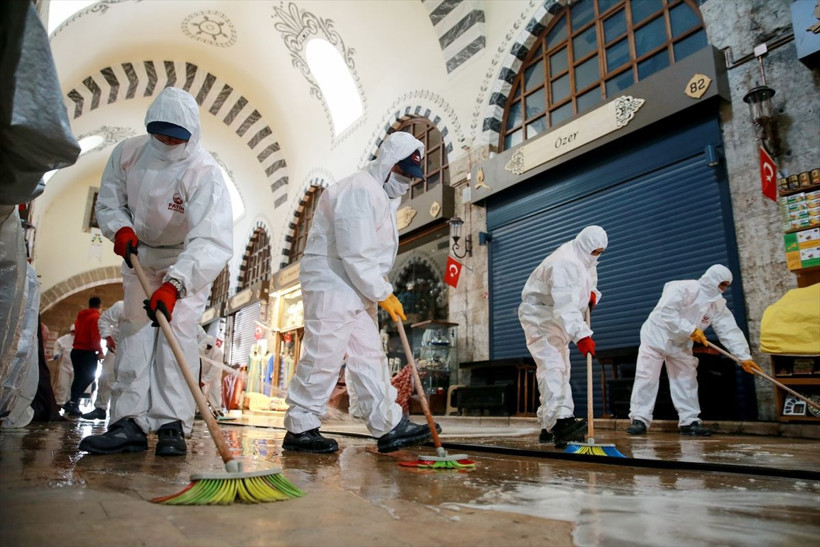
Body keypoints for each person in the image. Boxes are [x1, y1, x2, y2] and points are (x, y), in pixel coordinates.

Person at [80, 87, 233, 456]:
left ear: (191, 135)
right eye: (159, 134)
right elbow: (110, 201)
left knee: (176, 337)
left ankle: (171, 424)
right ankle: (128, 421)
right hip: (140, 256)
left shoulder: (204, 172)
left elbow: (211, 240)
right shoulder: (128, 153)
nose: (165, 141)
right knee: (134, 332)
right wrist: (120, 228)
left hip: (186, 258)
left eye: (174, 137)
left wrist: (176, 285)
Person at [283, 131, 438, 454]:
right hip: (333, 281)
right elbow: (356, 250)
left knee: (369, 356)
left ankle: (388, 424)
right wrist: (384, 292)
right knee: (323, 354)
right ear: (386, 164)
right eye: (402, 173)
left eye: (411, 177)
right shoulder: (359, 189)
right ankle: (301, 426)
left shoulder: (380, 195)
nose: (406, 182)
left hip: (354, 285)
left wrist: (377, 291)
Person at [626, 264, 760, 436]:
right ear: (712, 279)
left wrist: (744, 356)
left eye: (726, 286)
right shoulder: (682, 288)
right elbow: (666, 313)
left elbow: (728, 330)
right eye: (722, 284)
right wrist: (690, 329)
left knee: (686, 380)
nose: (724, 289)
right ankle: (639, 420)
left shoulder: (717, 304)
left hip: (680, 344)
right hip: (656, 337)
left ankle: (689, 422)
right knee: (647, 377)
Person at [518, 226, 608, 448]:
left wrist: (592, 294)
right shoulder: (566, 262)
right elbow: (565, 307)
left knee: (562, 368)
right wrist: (582, 335)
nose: (597, 255)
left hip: (555, 314)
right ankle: (560, 421)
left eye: (600, 252)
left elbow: (588, 280)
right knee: (552, 366)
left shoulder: (585, 256)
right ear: (586, 246)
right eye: (595, 251)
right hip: (540, 315)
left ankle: (546, 425)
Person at [82, 300, 124, 420]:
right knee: (106, 378)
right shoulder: (122, 306)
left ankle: (122, 413)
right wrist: (107, 337)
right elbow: (104, 320)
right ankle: (100, 408)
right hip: (115, 347)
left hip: (136, 350)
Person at [64, 297, 103, 417]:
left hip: (76, 350)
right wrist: (100, 351)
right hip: (87, 352)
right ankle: (72, 402)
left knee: (78, 378)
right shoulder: (95, 317)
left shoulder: (81, 316)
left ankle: (72, 404)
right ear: (100, 305)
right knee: (88, 377)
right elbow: (95, 336)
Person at [200, 336, 224, 417]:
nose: (208, 348)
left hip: (215, 372)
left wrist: (204, 381)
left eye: (210, 347)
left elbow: (214, 369)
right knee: (198, 390)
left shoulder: (218, 353)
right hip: (202, 370)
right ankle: (198, 409)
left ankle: (216, 409)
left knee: (215, 387)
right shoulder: (199, 349)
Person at [52, 325, 75, 407]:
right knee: (62, 385)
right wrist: (57, 354)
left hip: (76, 367)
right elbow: (57, 345)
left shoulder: (82, 339)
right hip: (65, 366)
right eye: (73, 332)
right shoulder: (65, 339)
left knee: (72, 387)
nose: (74, 334)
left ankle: (69, 404)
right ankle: (59, 403)